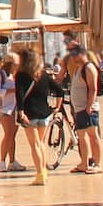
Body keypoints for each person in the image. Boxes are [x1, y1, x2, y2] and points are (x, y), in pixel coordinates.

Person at [15, 48, 65, 185]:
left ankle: (40, 174)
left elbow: (19, 95)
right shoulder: (43, 75)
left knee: (34, 145)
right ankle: (43, 171)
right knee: (41, 143)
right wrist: (57, 106)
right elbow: (59, 90)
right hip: (44, 113)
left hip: (29, 114)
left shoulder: (21, 75)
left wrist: (20, 112)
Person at [63, 46, 103, 174]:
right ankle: (84, 163)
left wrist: (89, 106)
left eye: (75, 55)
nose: (73, 58)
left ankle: (97, 164)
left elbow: (93, 88)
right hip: (79, 109)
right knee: (81, 137)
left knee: (93, 136)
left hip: (87, 109)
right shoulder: (78, 68)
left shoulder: (89, 68)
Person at [0, 53, 26, 173]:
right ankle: (2, 161)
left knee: (12, 135)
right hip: (5, 108)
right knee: (8, 134)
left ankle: (12, 161)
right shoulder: (0, 75)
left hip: (15, 107)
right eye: (16, 64)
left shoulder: (14, 75)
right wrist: (12, 90)